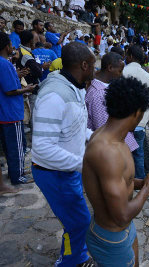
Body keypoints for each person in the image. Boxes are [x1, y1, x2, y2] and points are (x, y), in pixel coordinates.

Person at [83, 76, 149, 267]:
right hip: (112, 238)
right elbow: (122, 215)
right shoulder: (107, 152)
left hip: (124, 231)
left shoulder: (114, 136)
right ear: (137, 113)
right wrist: (147, 190)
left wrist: (143, 184)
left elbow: (120, 181)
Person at [31, 42, 96, 266]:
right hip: (54, 173)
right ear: (84, 65)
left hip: (68, 169)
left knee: (76, 220)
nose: (96, 69)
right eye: (94, 64)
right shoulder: (54, 95)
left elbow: (72, 125)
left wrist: (92, 136)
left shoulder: (74, 87)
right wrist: (84, 164)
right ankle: (68, 261)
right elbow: (43, 148)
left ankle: (76, 255)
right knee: (78, 222)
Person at [85, 52, 139, 153]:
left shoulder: (106, 87)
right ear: (110, 68)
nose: (121, 75)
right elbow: (102, 127)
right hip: (109, 150)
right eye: (120, 71)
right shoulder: (98, 93)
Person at [0, 32, 35, 186]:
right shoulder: (5, 63)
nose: (13, 47)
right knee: (18, 146)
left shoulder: (3, 63)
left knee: (10, 147)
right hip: (11, 113)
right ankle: (18, 176)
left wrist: (16, 74)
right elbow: (9, 90)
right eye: (11, 44)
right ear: (7, 46)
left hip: (4, 113)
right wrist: (27, 89)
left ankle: (17, 171)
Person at [123, 45, 149, 179]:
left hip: (124, 121)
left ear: (130, 56)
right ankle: (140, 179)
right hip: (140, 122)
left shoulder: (123, 72)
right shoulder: (148, 77)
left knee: (124, 152)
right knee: (138, 152)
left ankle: (125, 179)